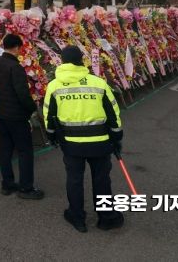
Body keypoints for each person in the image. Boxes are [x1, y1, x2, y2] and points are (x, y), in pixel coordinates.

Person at [44, 45, 124, 233]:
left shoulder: (54, 86)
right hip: (100, 142)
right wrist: (117, 137)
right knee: (102, 179)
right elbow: (113, 112)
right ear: (82, 60)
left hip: (71, 145)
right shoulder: (98, 83)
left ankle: (77, 217)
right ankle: (107, 218)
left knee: (74, 180)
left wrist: (52, 136)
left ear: (62, 62)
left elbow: (49, 116)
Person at [0, 34, 44, 200]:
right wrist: (31, 108)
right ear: (16, 47)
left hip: (1, 113)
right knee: (25, 151)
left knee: (5, 149)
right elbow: (22, 93)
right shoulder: (16, 67)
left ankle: (8, 184)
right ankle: (26, 188)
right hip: (17, 116)